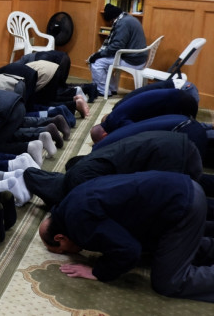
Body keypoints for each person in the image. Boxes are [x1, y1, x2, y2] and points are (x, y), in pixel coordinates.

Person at [38, 171, 214, 303]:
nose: (66, 254)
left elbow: (129, 251)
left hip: (183, 206)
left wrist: (98, 272)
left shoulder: (78, 222)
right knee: (157, 254)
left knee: (169, 282)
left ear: (61, 237)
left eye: (60, 251)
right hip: (182, 189)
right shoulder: (70, 202)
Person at [24, 130, 204, 207]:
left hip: (172, 157)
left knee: (187, 204)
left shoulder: (80, 183)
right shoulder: (82, 167)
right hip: (177, 144)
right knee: (195, 191)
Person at [89, 87, 198, 144]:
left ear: (104, 135)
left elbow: (138, 133)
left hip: (180, 102)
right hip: (177, 96)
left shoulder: (116, 122)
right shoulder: (112, 117)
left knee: (188, 129)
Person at [87, 3, 147, 96]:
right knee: (104, 61)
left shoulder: (123, 23)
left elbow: (116, 46)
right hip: (139, 57)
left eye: (110, 22)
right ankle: (112, 88)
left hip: (133, 60)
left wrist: (98, 55)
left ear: (112, 19)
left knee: (96, 62)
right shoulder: (128, 18)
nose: (111, 25)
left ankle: (102, 91)